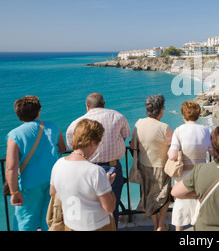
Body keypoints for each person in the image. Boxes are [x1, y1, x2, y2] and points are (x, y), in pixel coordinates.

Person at [66, 93, 130, 226]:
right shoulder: (118, 117)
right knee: (113, 206)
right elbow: (124, 137)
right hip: (112, 168)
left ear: (87, 106)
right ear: (104, 103)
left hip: (86, 170)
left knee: (89, 208)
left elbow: (73, 147)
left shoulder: (77, 123)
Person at [5, 95, 66, 231]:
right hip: (54, 180)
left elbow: (11, 167)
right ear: (39, 111)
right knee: (50, 219)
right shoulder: (53, 127)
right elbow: (62, 149)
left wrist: (14, 191)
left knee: (26, 222)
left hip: (29, 184)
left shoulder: (15, 135)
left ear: (18, 115)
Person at [50, 119, 117, 231]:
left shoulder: (58, 164)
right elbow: (109, 207)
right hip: (97, 226)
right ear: (93, 142)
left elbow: (53, 192)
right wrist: (108, 185)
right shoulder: (95, 171)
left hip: (70, 225)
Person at [129, 94, 173, 231]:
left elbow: (132, 145)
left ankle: (155, 225)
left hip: (143, 165)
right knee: (164, 196)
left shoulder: (139, 123)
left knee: (149, 196)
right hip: (162, 167)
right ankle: (161, 224)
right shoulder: (164, 127)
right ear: (160, 110)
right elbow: (173, 147)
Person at [167, 101, 211, 231]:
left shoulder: (179, 131)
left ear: (183, 115)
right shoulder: (205, 130)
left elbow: (172, 155)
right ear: (198, 115)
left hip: (184, 175)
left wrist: (170, 150)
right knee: (198, 203)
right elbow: (213, 151)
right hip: (201, 173)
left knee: (180, 204)